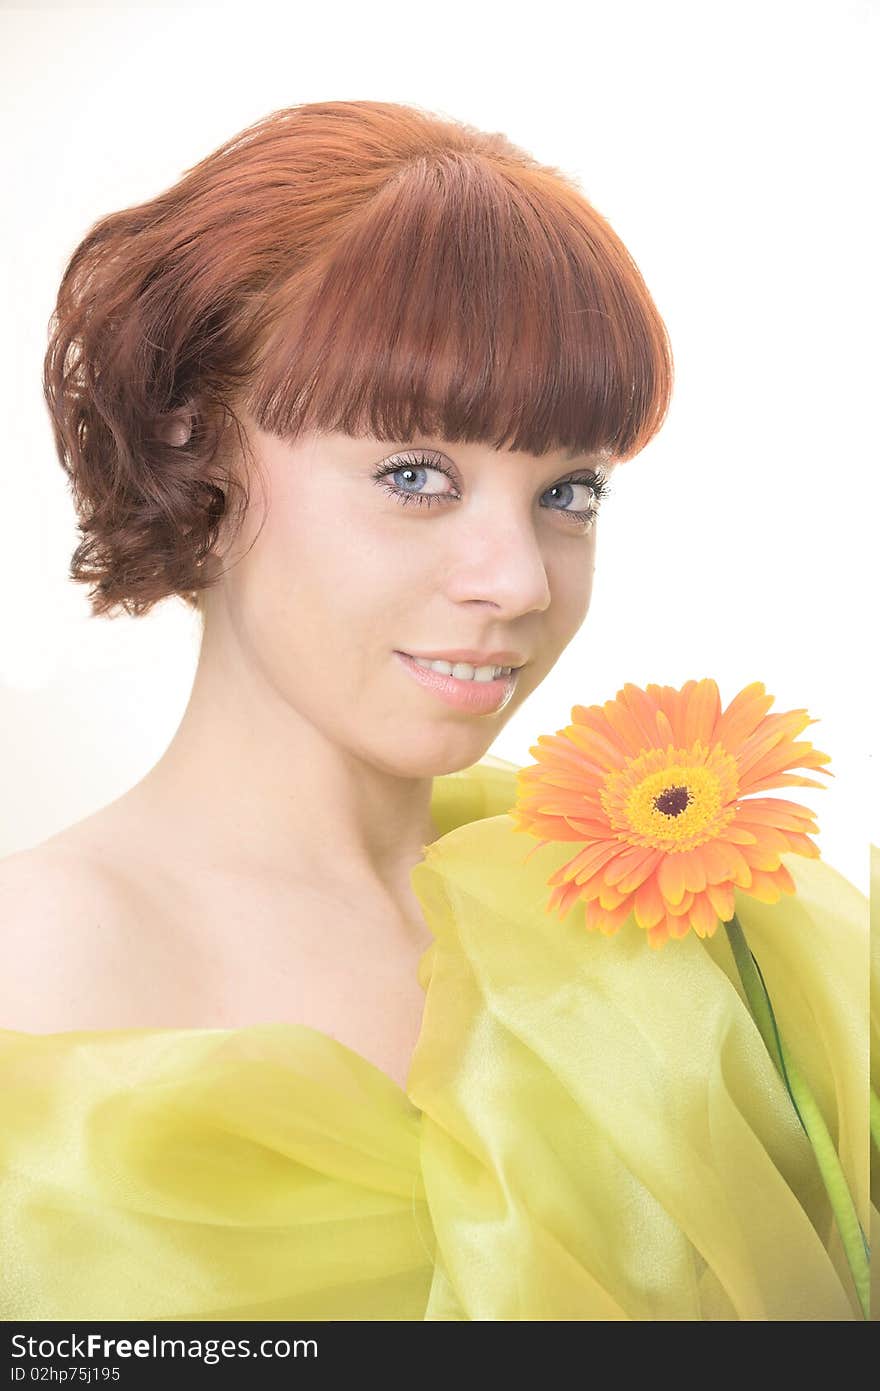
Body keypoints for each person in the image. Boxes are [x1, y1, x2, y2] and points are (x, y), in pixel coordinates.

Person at [0, 100, 871, 1321]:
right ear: (196, 448)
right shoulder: (39, 965)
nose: (517, 580)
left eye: (568, 490)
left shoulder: (664, 911)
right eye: (415, 476)